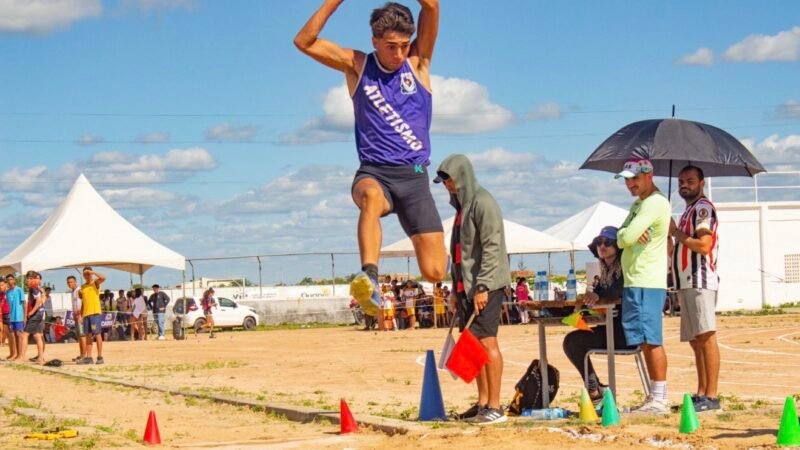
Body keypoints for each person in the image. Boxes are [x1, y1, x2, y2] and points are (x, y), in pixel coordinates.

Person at [295, 0, 446, 317]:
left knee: (434, 271)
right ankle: (370, 278)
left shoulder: (418, 64)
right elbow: (304, 41)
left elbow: (431, 7)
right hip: (374, 173)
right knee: (372, 199)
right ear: (375, 41)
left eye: (404, 45)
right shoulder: (357, 65)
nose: (399, 53)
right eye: (391, 46)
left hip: (416, 178)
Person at [436, 154, 511, 425]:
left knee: (487, 341)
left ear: (462, 175)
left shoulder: (483, 202)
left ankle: (495, 406)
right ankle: (482, 404)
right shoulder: (461, 208)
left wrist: (482, 285)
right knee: (473, 345)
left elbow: (492, 246)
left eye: (449, 180)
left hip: (485, 285)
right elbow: (459, 255)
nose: (446, 185)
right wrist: (455, 290)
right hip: (466, 287)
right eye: (443, 182)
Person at [615, 159, 671, 413]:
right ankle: (654, 395)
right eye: (626, 179)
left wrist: (627, 233)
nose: (629, 184)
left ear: (649, 176)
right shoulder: (638, 204)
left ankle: (660, 397)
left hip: (647, 280)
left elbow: (625, 236)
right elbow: (620, 236)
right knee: (644, 339)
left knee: (651, 337)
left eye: (634, 179)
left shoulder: (655, 203)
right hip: (636, 279)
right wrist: (626, 233)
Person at [562, 226, 636, 405]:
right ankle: (594, 388)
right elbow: (598, 293)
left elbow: (617, 291)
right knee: (572, 340)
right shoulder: (605, 272)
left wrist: (597, 296)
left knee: (573, 342)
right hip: (609, 328)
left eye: (608, 242)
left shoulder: (625, 268)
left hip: (624, 334)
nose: (602, 246)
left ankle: (595, 390)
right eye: (598, 243)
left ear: (617, 246)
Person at [670, 165, 721, 412]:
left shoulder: (702, 208)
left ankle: (711, 394)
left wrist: (677, 233)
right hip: (686, 281)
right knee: (695, 340)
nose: (684, 185)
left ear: (701, 182)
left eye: (689, 180)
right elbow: (678, 248)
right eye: (681, 181)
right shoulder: (687, 211)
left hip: (700, 278)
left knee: (706, 335)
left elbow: (703, 245)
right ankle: (701, 392)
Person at [79, 267, 106, 365]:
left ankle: (100, 356)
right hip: (86, 314)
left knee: (97, 334)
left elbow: (103, 277)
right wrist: (81, 315)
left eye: (88, 274)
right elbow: (83, 302)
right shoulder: (82, 287)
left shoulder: (95, 283)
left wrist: (93, 272)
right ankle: (89, 357)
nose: (87, 275)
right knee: (88, 336)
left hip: (95, 313)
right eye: (85, 274)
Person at [17, 271, 46, 364]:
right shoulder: (37, 288)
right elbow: (42, 300)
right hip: (40, 314)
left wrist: (32, 312)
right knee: (37, 336)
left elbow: (38, 301)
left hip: (36, 314)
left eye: (29, 278)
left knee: (25, 334)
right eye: (27, 278)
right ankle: (41, 358)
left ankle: (22, 357)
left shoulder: (33, 288)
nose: (27, 280)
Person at [66, 276, 87, 362]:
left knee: (82, 335)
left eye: (71, 282)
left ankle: (84, 355)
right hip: (76, 315)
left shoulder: (79, 290)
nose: (69, 284)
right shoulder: (73, 292)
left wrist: (81, 314)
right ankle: (82, 354)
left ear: (75, 282)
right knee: (79, 336)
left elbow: (84, 302)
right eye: (68, 282)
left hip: (80, 316)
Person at [5, 274, 25, 362]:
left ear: (14, 280)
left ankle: (21, 356)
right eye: (8, 279)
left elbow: (24, 303)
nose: (9, 281)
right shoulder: (7, 292)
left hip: (19, 316)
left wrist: (25, 316)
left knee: (19, 335)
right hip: (11, 317)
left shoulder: (19, 289)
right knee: (14, 336)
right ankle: (17, 355)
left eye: (11, 279)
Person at [0, 279, 8, 354]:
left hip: (7, 313)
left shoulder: (8, 292)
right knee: (2, 329)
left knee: (4, 330)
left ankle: (3, 341)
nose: (0, 287)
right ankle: (2, 341)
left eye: (2, 285)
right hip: (1, 313)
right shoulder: (1, 294)